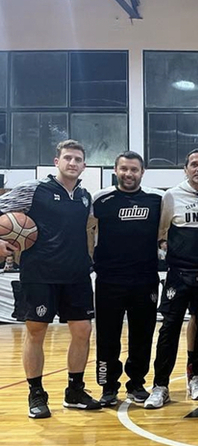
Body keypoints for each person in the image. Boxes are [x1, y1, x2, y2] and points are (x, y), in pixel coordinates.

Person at [0, 139, 101, 418]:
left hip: (77, 274)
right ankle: (36, 394)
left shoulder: (85, 196)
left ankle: (75, 391)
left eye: (78, 159)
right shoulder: (34, 190)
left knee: (83, 332)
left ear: (84, 165)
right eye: (67, 158)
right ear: (56, 162)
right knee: (36, 333)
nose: (73, 163)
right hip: (40, 275)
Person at [144, 149, 198, 409]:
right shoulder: (171, 196)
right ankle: (160, 385)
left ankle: (197, 377)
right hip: (179, 275)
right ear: (185, 169)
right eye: (193, 164)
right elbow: (162, 232)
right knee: (169, 329)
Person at [91, 151, 163, 406]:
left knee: (142, 334)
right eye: (124, 169)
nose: (129, 174)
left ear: (142, 172)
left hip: (145, 279)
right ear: (115, 170)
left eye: (134, 169)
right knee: (107, 335)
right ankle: (108, 386)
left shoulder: (158, 199)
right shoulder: (100, 199)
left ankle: (136, 383)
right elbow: (87, 233)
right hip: (109, 279)